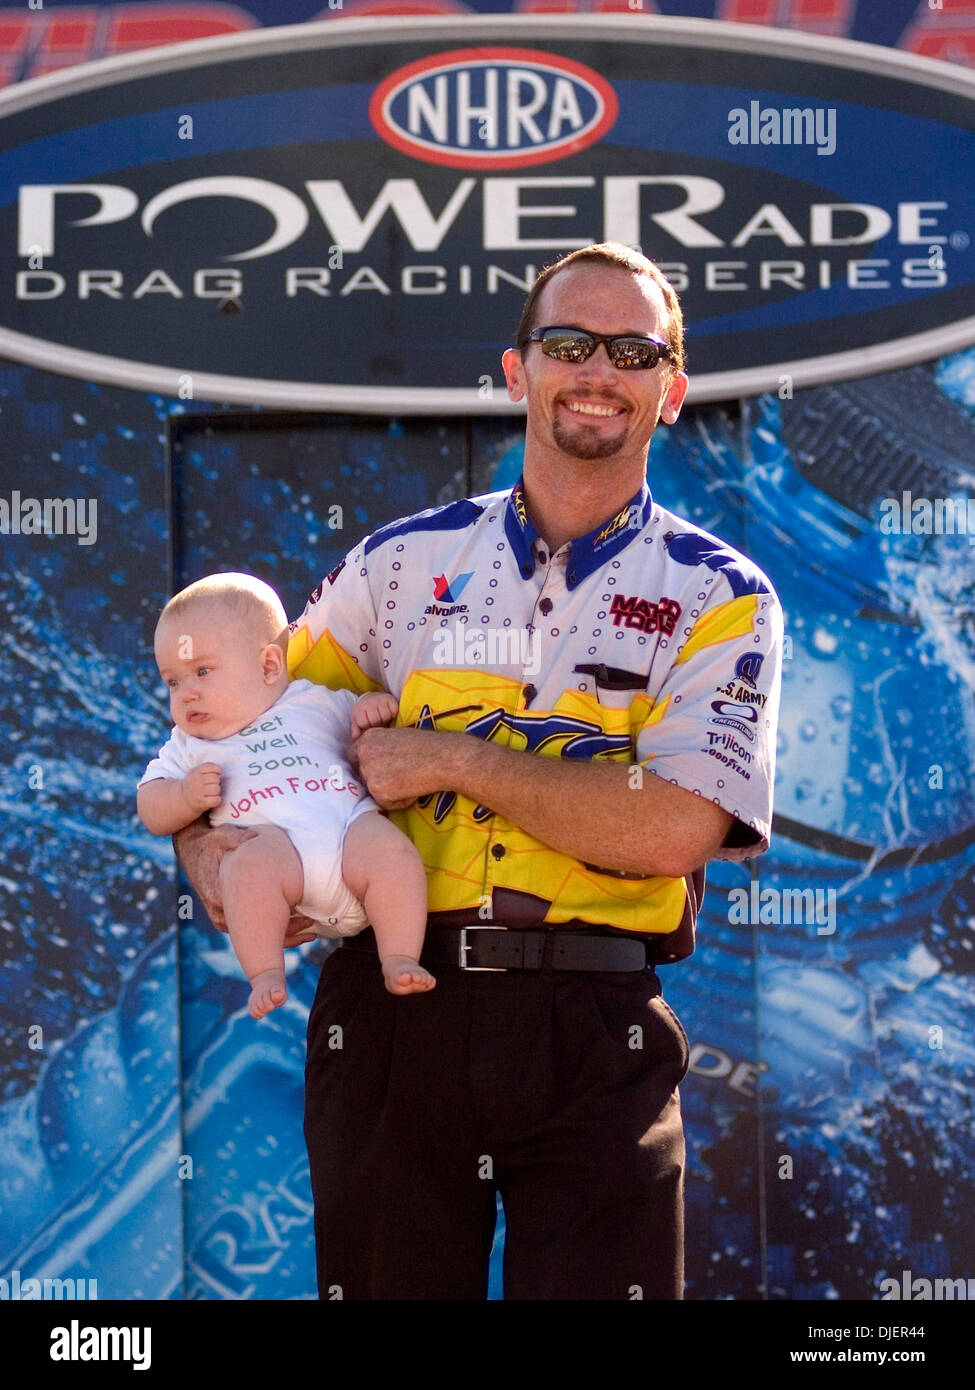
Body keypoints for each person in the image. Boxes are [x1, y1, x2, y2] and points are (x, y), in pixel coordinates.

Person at [176, 243, 783, 1300]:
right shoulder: (396, 563)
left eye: (632, 350)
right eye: (568, 343)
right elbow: (237, 735)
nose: (598, 369)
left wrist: (450, 758)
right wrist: (207, 845)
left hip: (596, 1025)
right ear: (518, 370)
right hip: (395, 1009)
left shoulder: (722, 595)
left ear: (670, 391)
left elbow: (677, 826)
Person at [138, 573, 434, 1015]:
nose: (187, 694)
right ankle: (266, 973)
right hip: (277, 856)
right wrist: (182, 797)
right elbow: (150, 807)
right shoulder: (188, 746)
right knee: (247, 869)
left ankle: (398, 957)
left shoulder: (315, 702)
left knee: (394, 855)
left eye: (202, 671)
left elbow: (363, 737)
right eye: (173, 682)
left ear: (269, 666)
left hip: (349, 837)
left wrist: (370, 714)